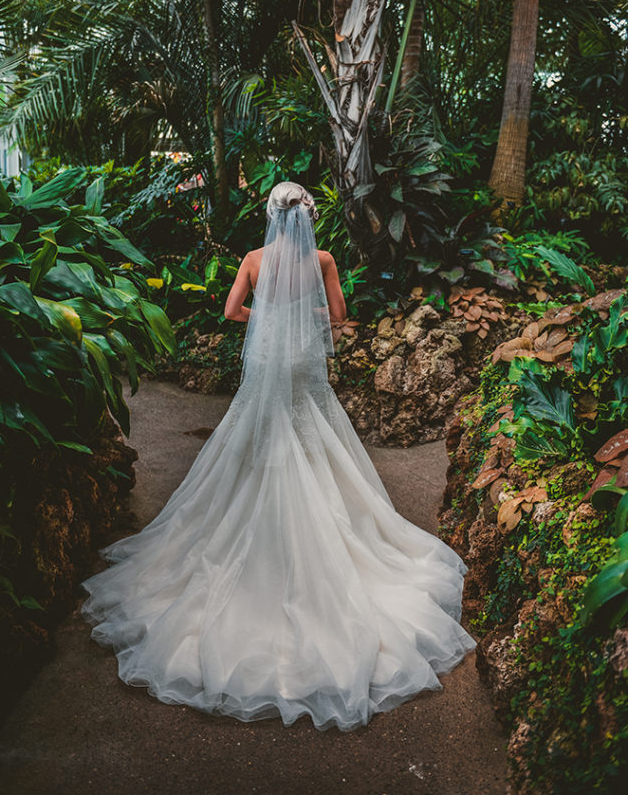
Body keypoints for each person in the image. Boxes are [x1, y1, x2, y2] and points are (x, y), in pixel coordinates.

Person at [81, 181, 476, 731]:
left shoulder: (252, 259)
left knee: (255, 442)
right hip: (300, 365)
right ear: (309, 217)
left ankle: (257, 517)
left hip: (267, 361)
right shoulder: (324, 259)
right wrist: (304, 315)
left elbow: (231, 310)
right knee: (313, 439)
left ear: (270, 215)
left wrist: (267, 318)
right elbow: (338, 318)